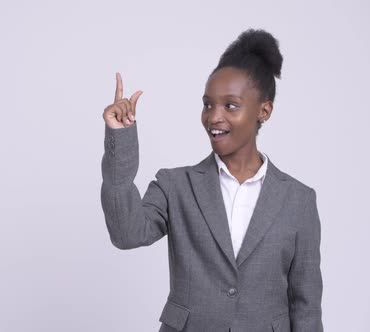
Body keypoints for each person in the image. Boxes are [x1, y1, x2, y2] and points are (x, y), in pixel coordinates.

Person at [100, 28, 323, 332]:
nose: (213, 117)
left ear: (264, 111)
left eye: (230, 105)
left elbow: (306, 306)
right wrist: (120, 137)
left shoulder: (299, 200)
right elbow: (126, 234)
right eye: (207, 104)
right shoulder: (175, 186)